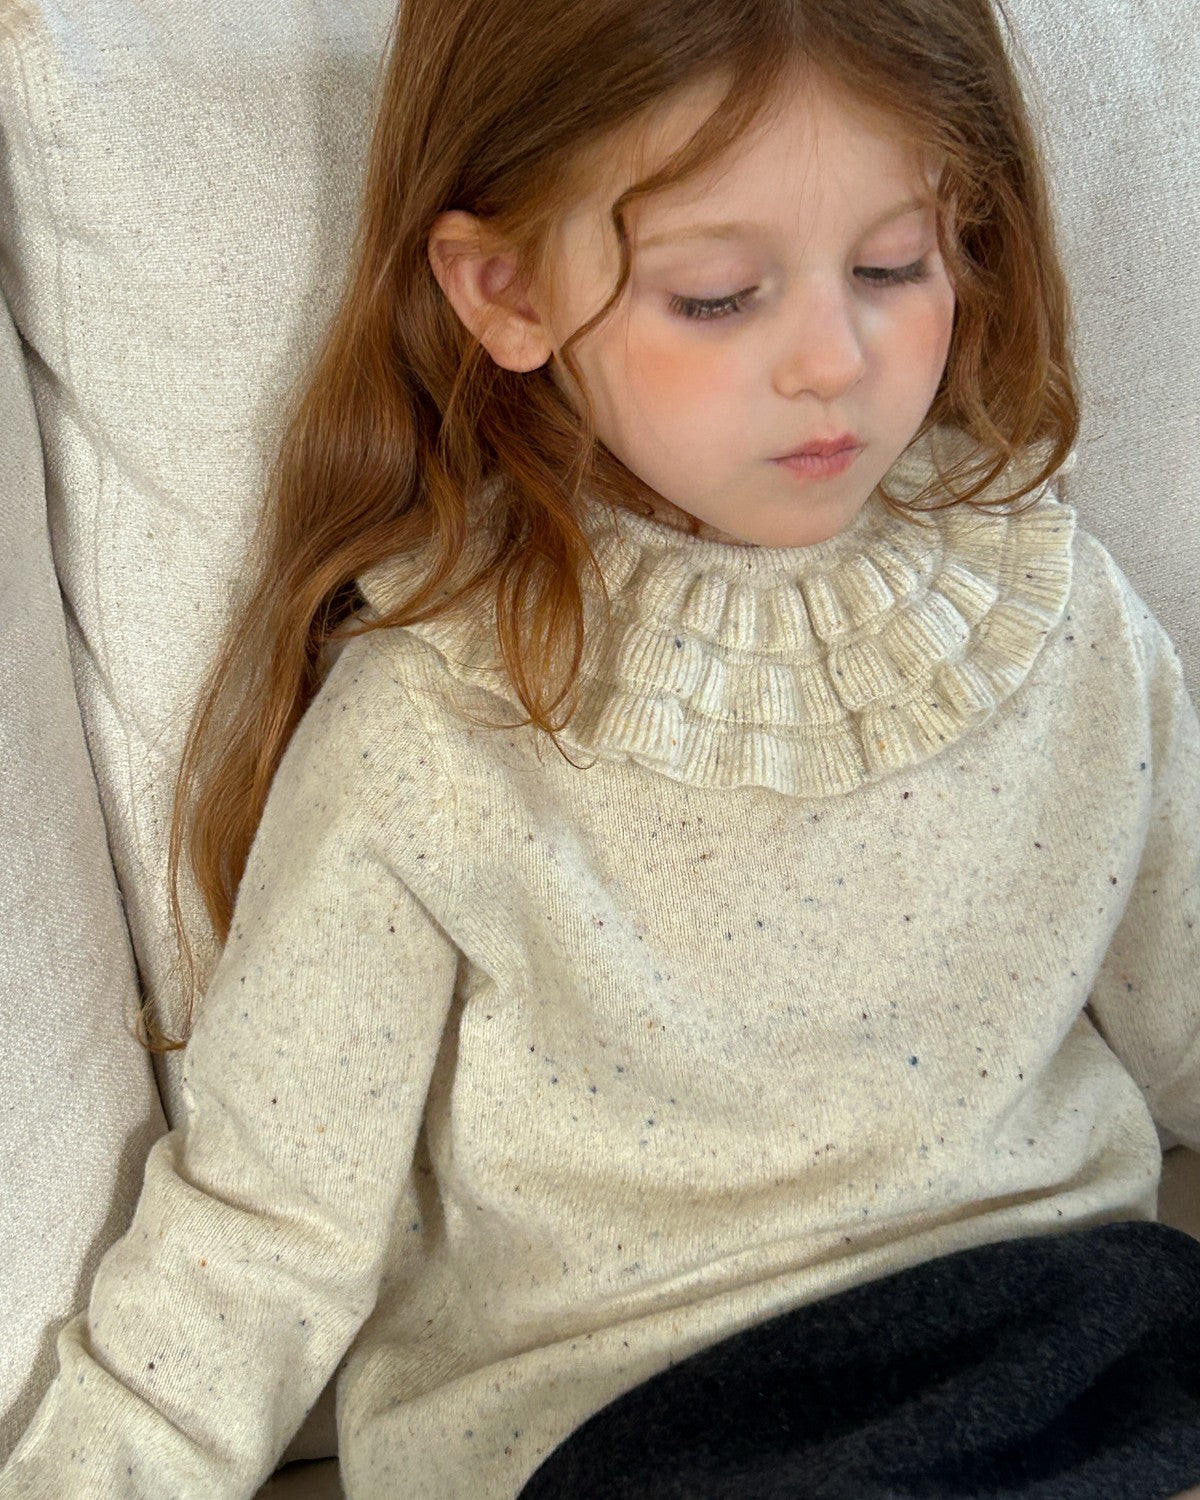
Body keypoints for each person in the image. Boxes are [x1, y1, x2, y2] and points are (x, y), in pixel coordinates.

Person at [3, 0, 1199, 1495]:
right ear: (505, 289)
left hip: (1076, 1341)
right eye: (717, 296)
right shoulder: (431, 727)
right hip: (640, 1426)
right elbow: (263, 1236)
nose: (833, 358)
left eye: (896, 266)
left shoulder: (1050, 602)